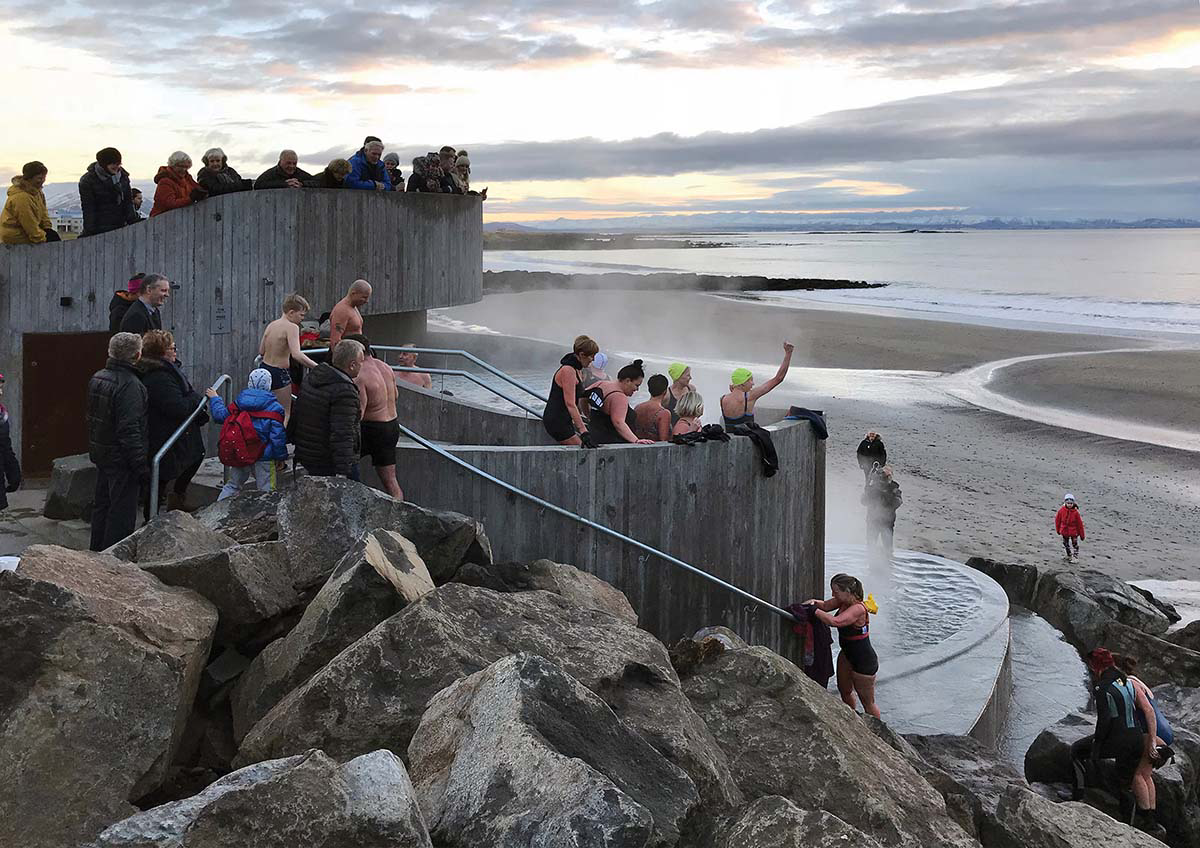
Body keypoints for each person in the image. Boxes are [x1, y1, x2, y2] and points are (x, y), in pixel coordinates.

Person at [1070, 648, 1165, 838]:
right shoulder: (1126, 681)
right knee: (1128, 781)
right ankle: (1145, 823)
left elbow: (1105, 721)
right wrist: (1152, 740)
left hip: (1117, 740)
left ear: (1095, 666)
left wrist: (1097, 748)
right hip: (1137, 738)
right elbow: (1143, 709)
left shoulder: (1102, 686)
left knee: (1076, 751)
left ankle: (1078, 795)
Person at [87, 332, 149, 551]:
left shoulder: (98, 377)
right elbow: (129, 429)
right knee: (120, 514)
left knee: (102, 506)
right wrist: (141, 465)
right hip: (121, 458)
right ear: (137, 355)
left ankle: (96, 552)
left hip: (102, 452)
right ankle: (114, 558)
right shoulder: (131, 385)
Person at [138, 330, 206, 515]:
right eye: (172, 348)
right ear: (161, 352)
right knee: (161, 475)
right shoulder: (158, 376)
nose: (175, 351)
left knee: (195, 456)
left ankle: (176, 498)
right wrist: (195, 399)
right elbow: (178, 406)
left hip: (176, 430)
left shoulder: (168, 370)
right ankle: (151, 515)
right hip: (163, 431)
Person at [807, 573, 881, 718]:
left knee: (868, 702)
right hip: (847, 654)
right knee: (845, 691)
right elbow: (825, 606)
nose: (833, 594)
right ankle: (851, 720)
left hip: (864, 661)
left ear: (847, 592)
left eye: (836, 591)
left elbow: (836, 622)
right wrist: (812, 603)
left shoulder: (858, 608)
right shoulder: (842, 601)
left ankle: (879, 734)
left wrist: (814, 611)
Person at [205, 368, 286, 499]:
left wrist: (215, 399)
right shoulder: (275, 408)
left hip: (241, 451)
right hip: (264, 456)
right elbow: (277, 437)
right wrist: (280, 457)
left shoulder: (239, 404)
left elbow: (220, 416)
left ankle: (217, 510)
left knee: (232, 485)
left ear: (249, 383)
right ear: (269, 385)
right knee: (267, 489)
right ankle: (265, 515)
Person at [292, 339, 365, 480]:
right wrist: (342, 471)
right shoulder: (345, 391)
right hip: (329, 461)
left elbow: (298, 414)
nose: (363, 365)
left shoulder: (312, 378)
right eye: (362, 362)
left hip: (308, 455)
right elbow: (342, 432)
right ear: (352, 365)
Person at [345, 334, 404, 500]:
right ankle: (398, 515)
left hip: (370, 428)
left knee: (346, 465)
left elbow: (360, 411)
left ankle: (353, 503)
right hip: (391, 426)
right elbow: (396, 395)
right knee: (391, 481)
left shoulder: (360, 374)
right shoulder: (386, 367)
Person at [258, 293, 320, 423]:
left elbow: (261, 351)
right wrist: (317, 367)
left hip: (264, 368)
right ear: (291, 312)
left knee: (264, 410)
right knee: (284, 413)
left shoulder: (272, 325)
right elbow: (296, 354)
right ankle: (278, 441)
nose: (302, 319)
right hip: (279, 372)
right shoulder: (292, 327)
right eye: (301, 315)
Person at [720, 342, 795, 427]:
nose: (753, 383)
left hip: (730, 438)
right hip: (748, 438)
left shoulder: (723, 399)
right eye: (750, 380)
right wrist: (788, 353)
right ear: (743, 383)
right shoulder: (749, 397)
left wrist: (735, 388)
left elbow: (735, 395)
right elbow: (778, 378)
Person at [584, 360, 656, 446]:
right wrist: (636, 440)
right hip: (612, 443)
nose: (637, 389)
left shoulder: (601, 384)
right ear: (628, 381)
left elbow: (583, 396)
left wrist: (587, 414)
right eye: (637, 385)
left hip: (595, 437)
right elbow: (618, 422)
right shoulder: (619, 397)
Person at [543, 335, 597, 446]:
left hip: (565, 419)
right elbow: (570, 403)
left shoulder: (577, 369)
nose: (594, 359)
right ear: (581, 355)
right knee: (582, 452)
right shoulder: (568, 371)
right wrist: (583, 431)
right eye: (592, 356)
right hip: (557, 420)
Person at [78, 147, 138, 237]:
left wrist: (133, 222)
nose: (117, 167)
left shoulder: (123, 177)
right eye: (113, 164)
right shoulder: (88, 180)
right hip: (100, 228)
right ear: (104, 164)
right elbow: (88, 208)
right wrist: (89, 231)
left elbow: (128, 202)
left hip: (121, 225)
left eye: (119, 164)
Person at [1, 161, 56, 245]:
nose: (42, 180)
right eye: (39, 178)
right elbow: (29, 223)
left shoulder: (37, 192)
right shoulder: (21, 197)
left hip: (27, 232)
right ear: (29, 178)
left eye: (44, 177)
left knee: (53, 237)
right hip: (15, 236)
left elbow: (43, 213)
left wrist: (47, 229)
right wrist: (42, 238)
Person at [150, 151, 207, 217]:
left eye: (186, 167)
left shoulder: (187, 178)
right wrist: (191, 198)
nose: (183, 169)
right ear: (172, 165)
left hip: (179, 218)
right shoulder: (165, 182)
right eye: (180, 166)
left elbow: (198, 188)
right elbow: (170, 204)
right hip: (160, 220)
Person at [863, 465, 902, 553]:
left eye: (887, 476)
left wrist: (887, 498)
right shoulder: (872, 488)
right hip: (873, 522)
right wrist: (868, 493)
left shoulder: (894, 489)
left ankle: (887, 561)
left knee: (888, 548)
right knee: (871, 547)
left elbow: (898, 502)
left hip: (887, 523)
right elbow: (864, 501)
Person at [0, 374, 22, 510]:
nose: (1, 393)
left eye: (1, 388)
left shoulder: (2, 413)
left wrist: (13, 473)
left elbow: (5, 445)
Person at [329, 279, 371, 345]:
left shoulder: (353, 307)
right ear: (353, 293)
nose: (367, 301)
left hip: (355, 350)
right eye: (364, 297)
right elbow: (335, 340)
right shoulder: (342, 310)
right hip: (346, 352)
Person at [633, 374, 672, 442]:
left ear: (649, 389)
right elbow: (663, 441)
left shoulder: (637, 408)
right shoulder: (663, 413)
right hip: (654, 450)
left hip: (637, 446)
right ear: (665, 391)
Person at [1056, 493, 1086, 563]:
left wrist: (1082, 535)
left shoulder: (1076, 513)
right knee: (1065, 543)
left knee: (1075, 544)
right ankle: (1069, 555)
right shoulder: (1061, 511)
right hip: (1064, 530)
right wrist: (1058, 529)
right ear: (1065, 503)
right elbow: (1058, 520)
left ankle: (1075, 557)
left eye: (1071, 503)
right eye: (1068, 503)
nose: (1069, 505)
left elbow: (1080, 524)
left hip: (1074, 531)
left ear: (1073, 503)